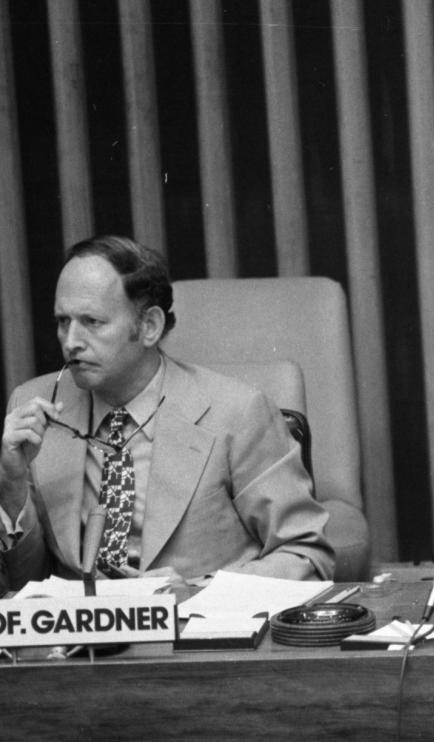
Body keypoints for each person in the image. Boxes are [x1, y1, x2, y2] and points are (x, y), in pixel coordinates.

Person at [0, 236, 333, 590]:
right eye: (63, 321)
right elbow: (28, 584)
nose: (71, 341)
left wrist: (198, 591)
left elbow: (307, 556)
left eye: (92, 322)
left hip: (194, 635)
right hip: (77, 640)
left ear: (149, 327)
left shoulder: (237, 413)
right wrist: (12, 486)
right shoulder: (34, 407)